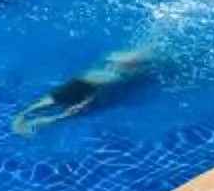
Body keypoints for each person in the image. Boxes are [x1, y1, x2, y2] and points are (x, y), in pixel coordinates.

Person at [12, 48, 153, 136]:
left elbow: (101, 74)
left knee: (55, 101)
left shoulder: (114, 58)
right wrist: (87, 101)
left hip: (83, 82)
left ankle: (28, 116)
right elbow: (102, 87)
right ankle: (35, 120)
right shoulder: (122, 68)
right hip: (90, 86)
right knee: (67, 111)